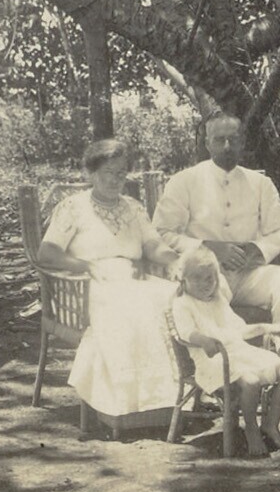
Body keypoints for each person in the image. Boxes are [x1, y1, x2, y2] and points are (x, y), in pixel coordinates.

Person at [37, 138, 182, 422]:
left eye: (121, 173)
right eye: (108, 172)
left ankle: (165, 401)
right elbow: (47, 252)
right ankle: (121, 406)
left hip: (131, 280)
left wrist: (175, 260)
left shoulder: (133, 207)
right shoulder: (73, 207)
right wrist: (86, 265)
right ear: (91, 174)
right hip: (85, 284)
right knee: (125, 306)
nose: (116, 180)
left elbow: (152, 245)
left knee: (173, 296)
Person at [153, 112, 280, 324]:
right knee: (213, 288)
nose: (227, 146)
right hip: (204, 273)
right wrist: (207, 248)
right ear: (207, 144)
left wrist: (257, 250)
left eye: (233, 140)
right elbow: (161, 233)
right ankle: (225, 345)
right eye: (219, 140)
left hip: (249, 274)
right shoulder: (184, 181)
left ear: (242, 142)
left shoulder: (261, 184)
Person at [170, 249, 280, 457]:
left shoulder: (218, 300)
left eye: (210, 278)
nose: (205, 284)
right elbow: (186, 332)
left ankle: (270, 424)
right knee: (250, 381)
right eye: (197, 279)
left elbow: (239, 330)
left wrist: (267, 327)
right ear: (183, 279)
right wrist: (204, 340)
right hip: (213, 359)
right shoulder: (183, 304)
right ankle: (251, 429)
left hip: (239, 352)